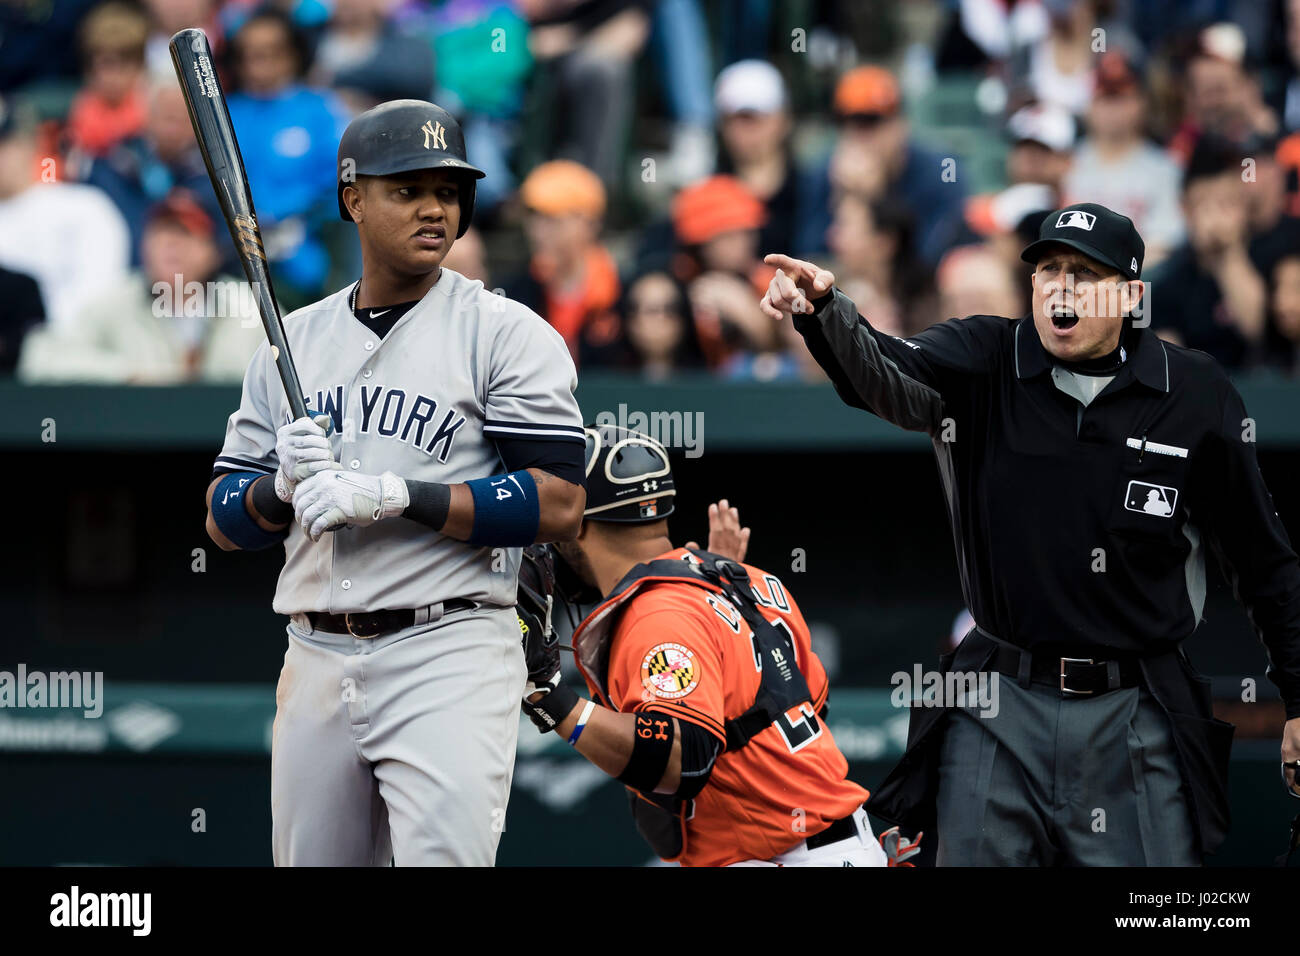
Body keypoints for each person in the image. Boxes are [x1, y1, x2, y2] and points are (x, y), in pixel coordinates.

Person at [761, 201, 1300, 865]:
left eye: (1084, 273)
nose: (1061, 289)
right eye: (1048, 271)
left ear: (1133, 295)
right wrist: (826, 310)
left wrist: (1299, 701)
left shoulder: (1194, 391)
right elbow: (885, 369)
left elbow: (1264, 562)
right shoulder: (984, 356)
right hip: (999, 701)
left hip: (1135, 706)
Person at [202, 100, 586, 866]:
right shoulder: (293, 344)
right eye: (407, 189)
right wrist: (277, 489)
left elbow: (560, 501)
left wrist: (399, 497)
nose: (434, 208)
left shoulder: (504, 332)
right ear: (354, 200)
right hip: (313, 651)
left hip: (448, 644)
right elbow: (220, 521)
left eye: (447, 192)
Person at [516, 424, 919, 867]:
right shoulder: (744, 580)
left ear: (580, 520)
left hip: (784, 855)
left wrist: (553, 701)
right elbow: (802, 712)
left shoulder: (659, 613)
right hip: (829, 845)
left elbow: (679, 759)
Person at [18, 189, 261, 383]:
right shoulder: (114, 302)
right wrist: (127, 375)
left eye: (185, 232)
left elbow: (287, 371)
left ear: (213, 251)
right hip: (137, 441)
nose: (170, 244)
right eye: (160, 232)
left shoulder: (249, 307)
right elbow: (42, 360)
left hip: (229, 440)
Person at [225, 8, 349, 303]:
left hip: (306, 252)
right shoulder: (226, 114)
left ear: (293, 55)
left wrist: (291, 216)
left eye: (272, 52)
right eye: (251, 54)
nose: (261, 64)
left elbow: (342, 181)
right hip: (233, 255)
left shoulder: (319, 110)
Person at [0, 95, 130, 332]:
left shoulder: (82, 207)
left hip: (61, 352)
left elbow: (98, 296)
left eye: (4, 143)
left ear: (29, 144)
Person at [1150, 135, 1268, 367]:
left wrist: (1228, 252)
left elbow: (1255, 328)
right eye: (1204, 205)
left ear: (1244, 205)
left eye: (1226, 203)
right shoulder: (1169, 278)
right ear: (1185, 208)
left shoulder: (1272, 254)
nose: (1215, 218)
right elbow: (1170, 365)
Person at [1063, 52, 1185, 266]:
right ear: (1089, 106)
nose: (1112, 109)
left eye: (1120, 98)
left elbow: (1166, 244)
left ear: (1141, 103)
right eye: (1104, 98)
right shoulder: (1066, 162)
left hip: (1139, 283)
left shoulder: (1166, 168)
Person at [500, 159, 622, 369]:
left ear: (589, 225)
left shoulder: (621, 296)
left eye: (553, 220)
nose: (539, 233)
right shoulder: (514, 293)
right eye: (534, 219)